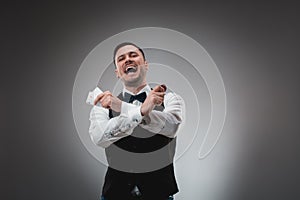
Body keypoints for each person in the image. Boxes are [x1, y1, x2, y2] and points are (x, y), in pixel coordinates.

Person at [88, 42, 184, 200]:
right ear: (117, 72)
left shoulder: (169, 98)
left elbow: (172, 126)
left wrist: (121, 107)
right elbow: (99, 138)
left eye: (133, 55)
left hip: (159, 194)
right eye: (121, 58)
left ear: (146, 65)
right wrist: (141, 112)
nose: (127, 60)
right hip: (114, 194)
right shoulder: (104, 104)